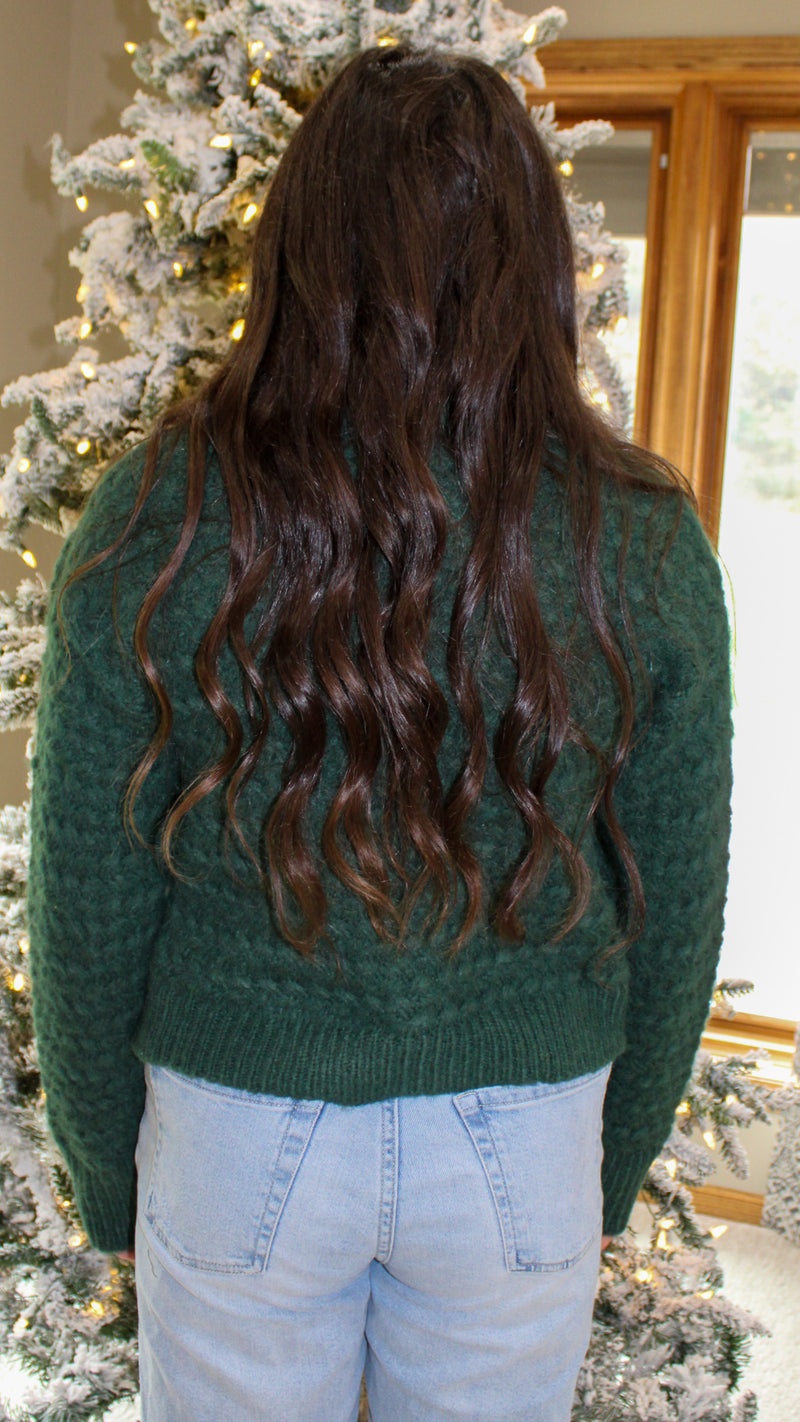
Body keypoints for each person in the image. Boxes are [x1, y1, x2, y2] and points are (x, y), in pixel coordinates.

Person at [27, 41, 733, 1422]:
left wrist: (110, 1169)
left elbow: (89, 899)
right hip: (523, 1127)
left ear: (298, 245)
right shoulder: (640, 533)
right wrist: (611, 1154)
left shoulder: (159, 510)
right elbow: (675, 893)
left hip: (236, 1125)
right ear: (536, 260)